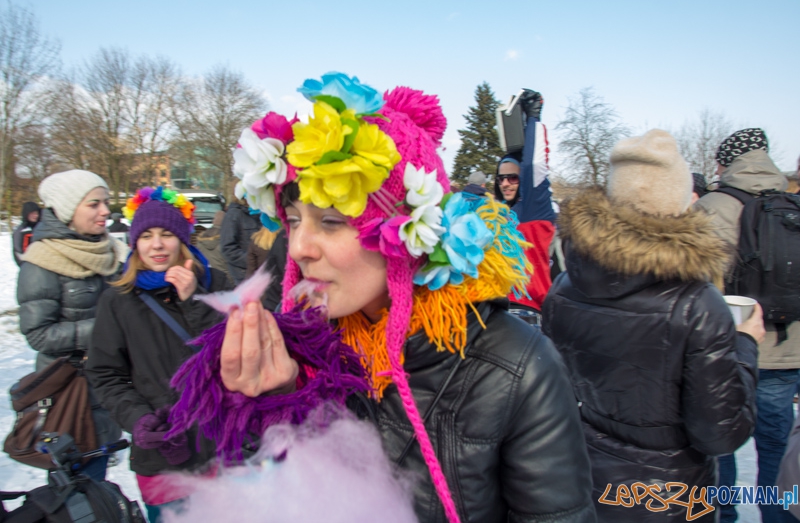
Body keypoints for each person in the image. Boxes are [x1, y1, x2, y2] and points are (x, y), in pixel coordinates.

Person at [170, 73, 596, 522]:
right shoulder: (304, 351)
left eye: (332, 221)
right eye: (293, 220)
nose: (299, 248)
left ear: (411, 232)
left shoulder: (516, 366)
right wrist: (279, 403)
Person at [542, 130, 762, 522]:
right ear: (678, 201)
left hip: (585, 480)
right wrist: (745, 345)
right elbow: (721, 433)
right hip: (669, 497)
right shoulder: (697, 303)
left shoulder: (564, 285)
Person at [85, 187, 230, 523]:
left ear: (182, 239)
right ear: (135, 242)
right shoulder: (118, 299)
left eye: (167, 234)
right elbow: (105, 374)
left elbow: (235, 352)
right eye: (147, 235)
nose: (157, 244)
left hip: (223, 446)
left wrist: (194, 300)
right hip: (165, 455)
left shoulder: (214, 282)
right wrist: (139, 419)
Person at [696, 128, 798, 523]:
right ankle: (777, 516)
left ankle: (724, 515)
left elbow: (698, 281)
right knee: (775, 445)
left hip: (729, 347)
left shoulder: (713, 206)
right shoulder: (791, 202)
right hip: (787, 348)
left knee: (720, 443)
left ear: (725, 163)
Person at [17, 169, 128, 481]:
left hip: (105, 388)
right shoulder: (42, 260)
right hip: (72, 395)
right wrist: (105, 328)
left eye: (105, 202)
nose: (106, 211)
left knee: (97, 479)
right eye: (94, 204)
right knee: (79, 492)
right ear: (68, 210)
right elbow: (38, 334)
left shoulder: (106, 252)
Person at [493, 90, 556, 314]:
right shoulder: (498, 214)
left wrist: (533, 117)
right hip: (496, 310)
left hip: (528, 311)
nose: (506, 183)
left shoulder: (533, 208)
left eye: (513, 177)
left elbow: (533, 166)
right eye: (501, 178)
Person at [220, 195, 261, 285]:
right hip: (243, 275)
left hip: (260, 272)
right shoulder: (234, 214)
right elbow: (227, 249)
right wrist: (252, 260)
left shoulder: (259, 213)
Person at [195, 210, 233, 283]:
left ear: (213, 221)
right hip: (225, 281)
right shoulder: (227, 240)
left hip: (206, 280)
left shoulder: (200, 241)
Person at [12, 201, 40, 266]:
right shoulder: (21, 231)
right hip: (29, 265)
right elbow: (18, 252)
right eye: (32, 213)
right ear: (26, 214)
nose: (35, 215)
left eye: (36, 213)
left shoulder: (40, 227)